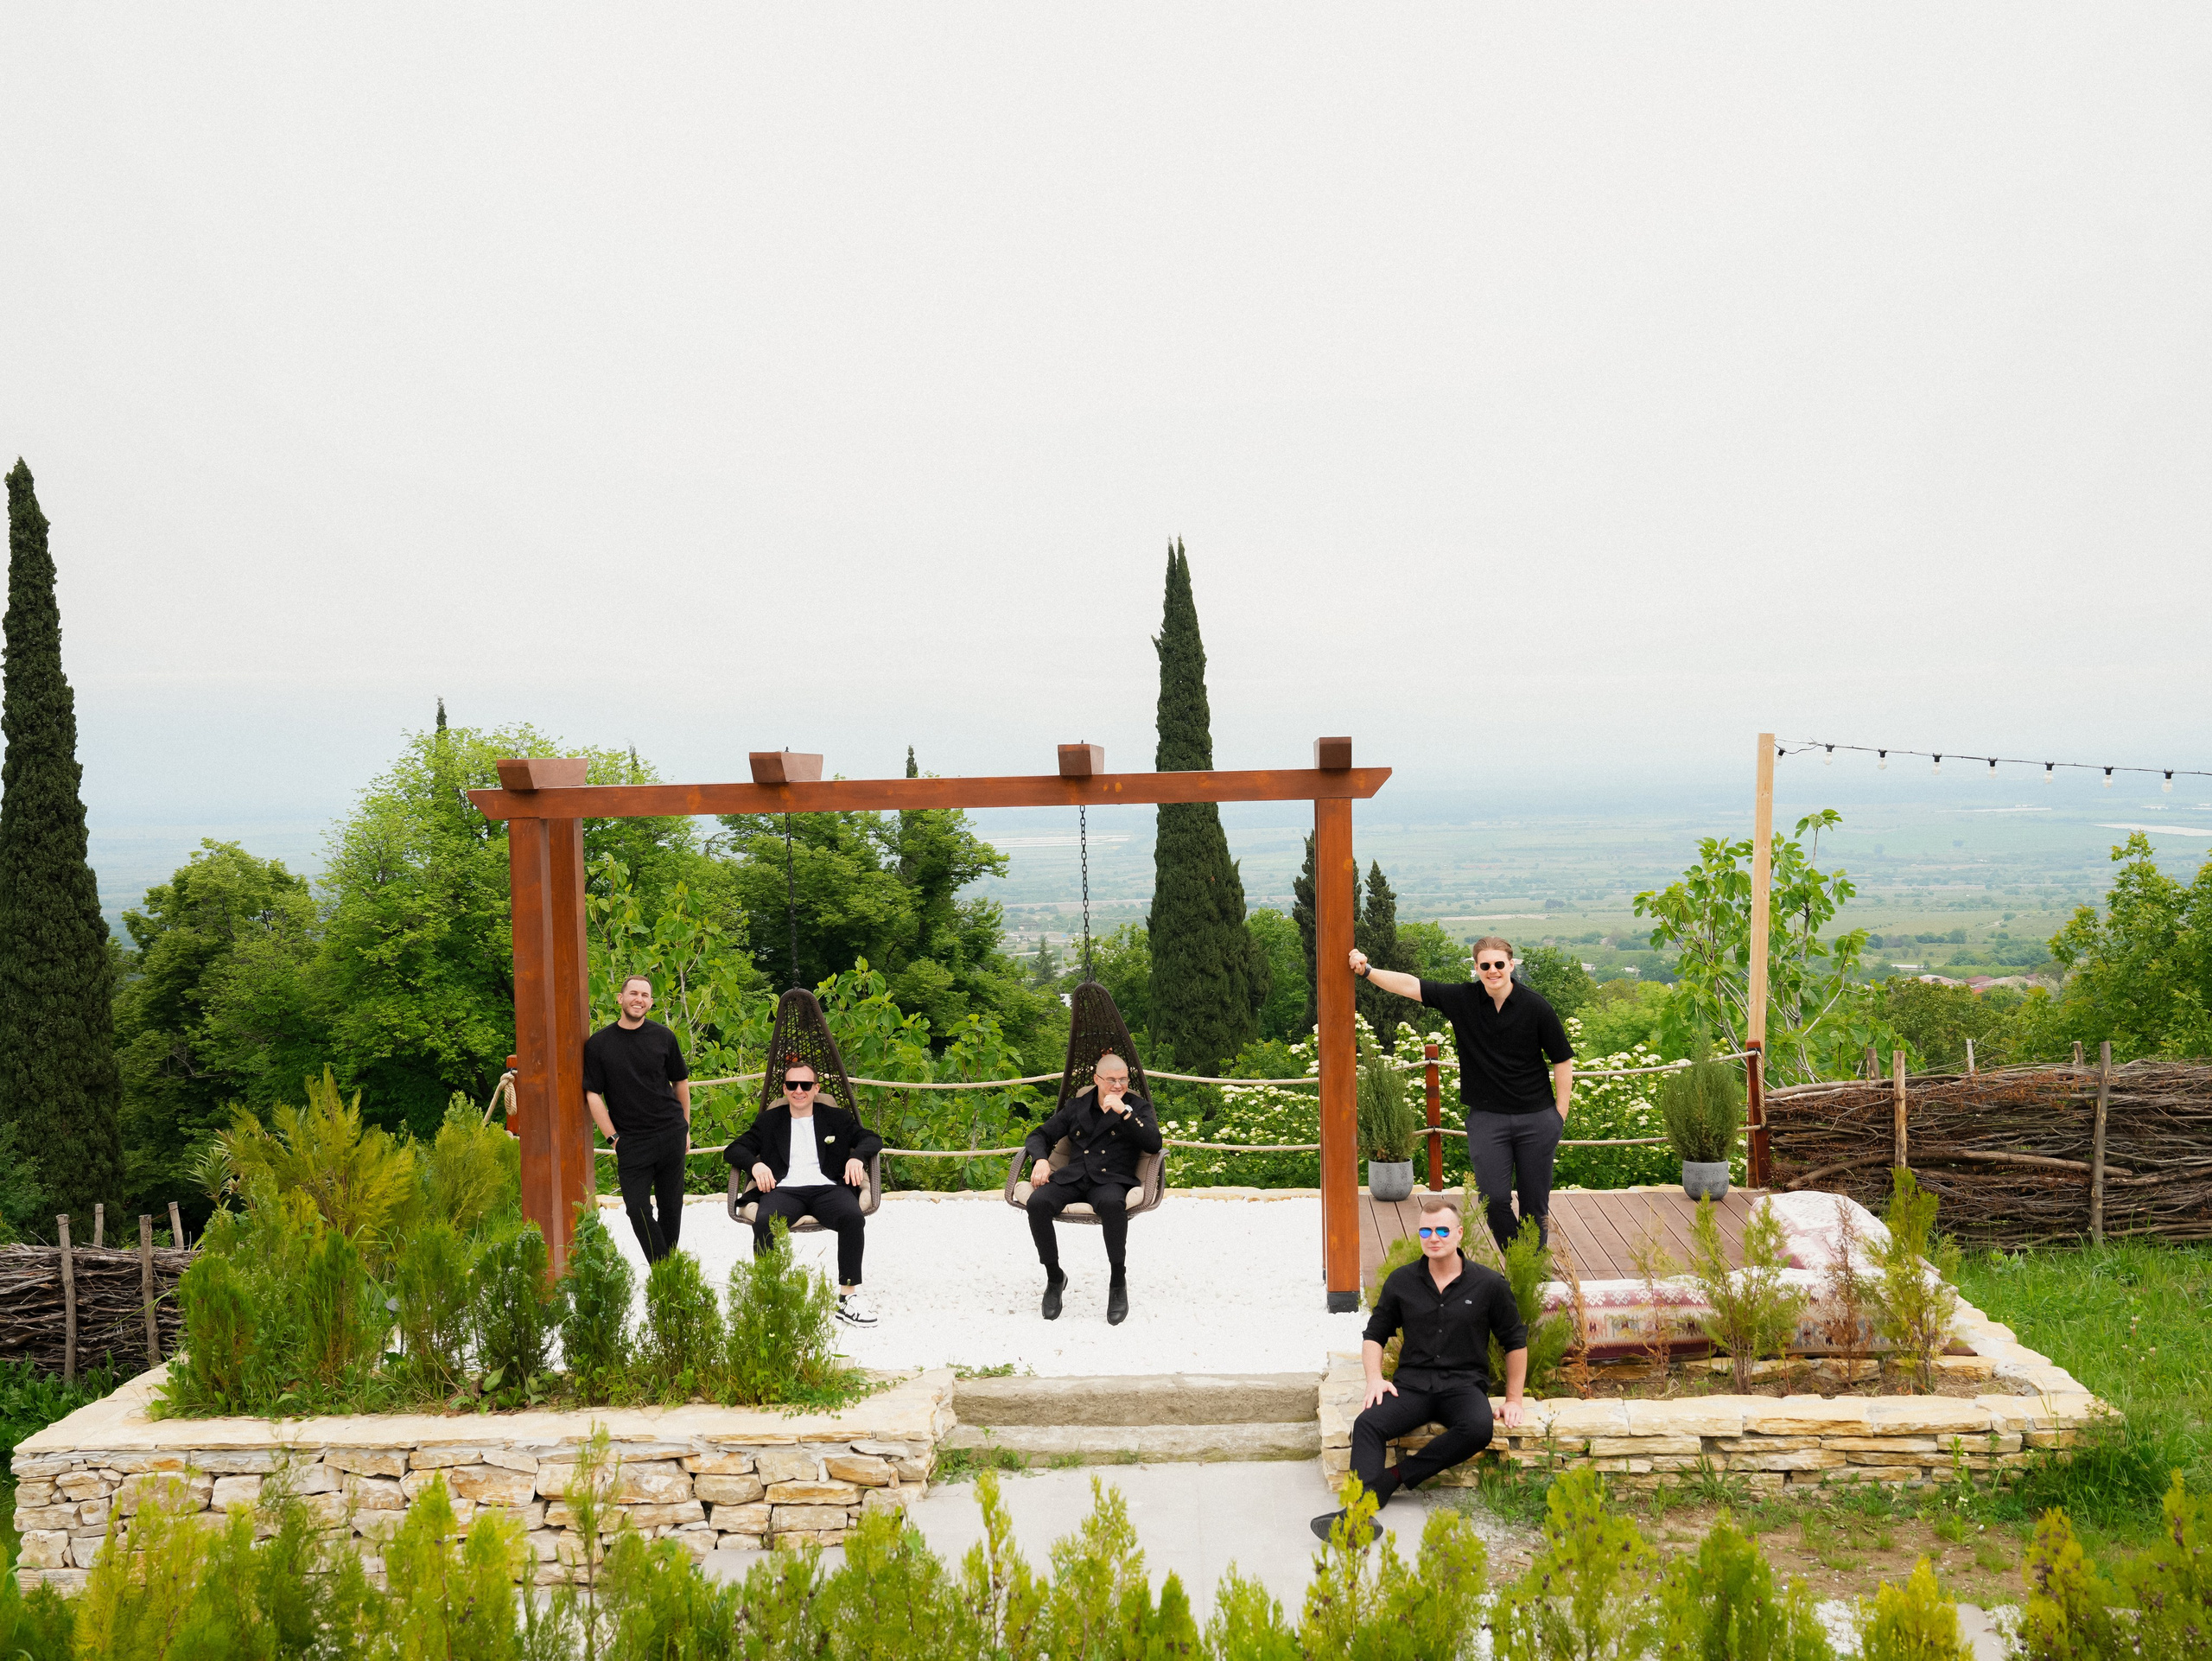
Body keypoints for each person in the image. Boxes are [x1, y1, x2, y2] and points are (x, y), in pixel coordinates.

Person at [1311, 1197, 1529, 1544]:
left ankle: (1392, 1479)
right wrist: (1374, 1379)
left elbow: (1515, 1341)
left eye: (1442, 1230)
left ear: (1459, 1234)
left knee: (1478, 1427)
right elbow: (1375, 1335)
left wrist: (1514, 1398)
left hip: (1462, 1387)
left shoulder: (1489, 1285)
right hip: (1411, 1387)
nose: (1434, 1237)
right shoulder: (1402, 1282)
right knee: (1368, 1423)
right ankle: (1356, 1515)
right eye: (1426, 1230)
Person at [1350, 934, 1574, 1255]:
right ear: (1477, 968)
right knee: (1493, 1199)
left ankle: (1531, 1276)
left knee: (1534, 1204)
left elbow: (1562, 1059)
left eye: (1499, 964)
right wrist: (1367, 970)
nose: (1493, 970)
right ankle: (1520, 1265)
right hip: (1487, 1120)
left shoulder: (1536, 1007)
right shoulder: (1463, 999)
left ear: (1511, 965)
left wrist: (1559, 1114)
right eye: (1486, 965)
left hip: (1537, 1119)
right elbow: (1411, 985)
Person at [725, 1060, 883, 1327]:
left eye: (806, 1085)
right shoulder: (770, 1120)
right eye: (792, 1085)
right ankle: (770, 1297)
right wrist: (756, 1164)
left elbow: (872, 1139)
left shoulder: (836, 1117)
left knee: (852, 1217)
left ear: (816, 1088)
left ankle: (847, 1298)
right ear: (785, 1090)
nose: (799, 1090)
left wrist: (856, 1158)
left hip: (828, 1188)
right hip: (784, 1189)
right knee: (765, 1221)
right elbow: (735, 1149)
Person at [1023, 1051, 1160, 1326]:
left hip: (1112, 1180)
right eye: (1111, 1080)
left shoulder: (1136, 1106)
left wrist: (1124, 1113)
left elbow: (1154, 1143)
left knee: (1111, 1205)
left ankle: (1118, 1281)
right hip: (1074, 1177)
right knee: (1038, 1203)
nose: (1118, 1085)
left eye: (1123, 1079)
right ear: (1097, 1079)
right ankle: (1054, 1277)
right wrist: (1040, 1159)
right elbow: (1040, 1134)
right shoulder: (1077, 1106)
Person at [583, 974, 693, 1263]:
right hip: (632, 1142)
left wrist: (686, 1128)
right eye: (633, 993)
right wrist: (614, 1138)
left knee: (671, 1208)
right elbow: (593, 1094)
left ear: (651, 1002)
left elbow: (680, 1083)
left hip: (670, 1133)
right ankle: (666, 1267)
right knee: (636, 1207)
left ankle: (665, 1275)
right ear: (620, 998)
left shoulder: (664, 1037)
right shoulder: (598, 1044)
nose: (639, 1000)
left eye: (645, 995)